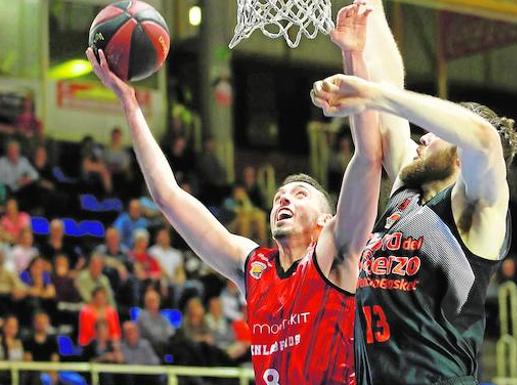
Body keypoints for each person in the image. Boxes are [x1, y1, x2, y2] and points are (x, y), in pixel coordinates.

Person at [85, 2, 382, 381]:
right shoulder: (254, 267)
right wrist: (128, 101)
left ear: (327, 220)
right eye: (280, 196)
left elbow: (369, 157)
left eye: (299, 195)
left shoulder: (337, 253)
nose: (283, 199)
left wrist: (353, 55)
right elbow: (168, 196)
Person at [311, 2, 517, 383]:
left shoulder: (478, 211)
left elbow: (484, 138)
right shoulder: (409, 187)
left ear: (459, 153)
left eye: (436, 131)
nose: (422, 135)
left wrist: (371, 94)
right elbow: (390, 89)